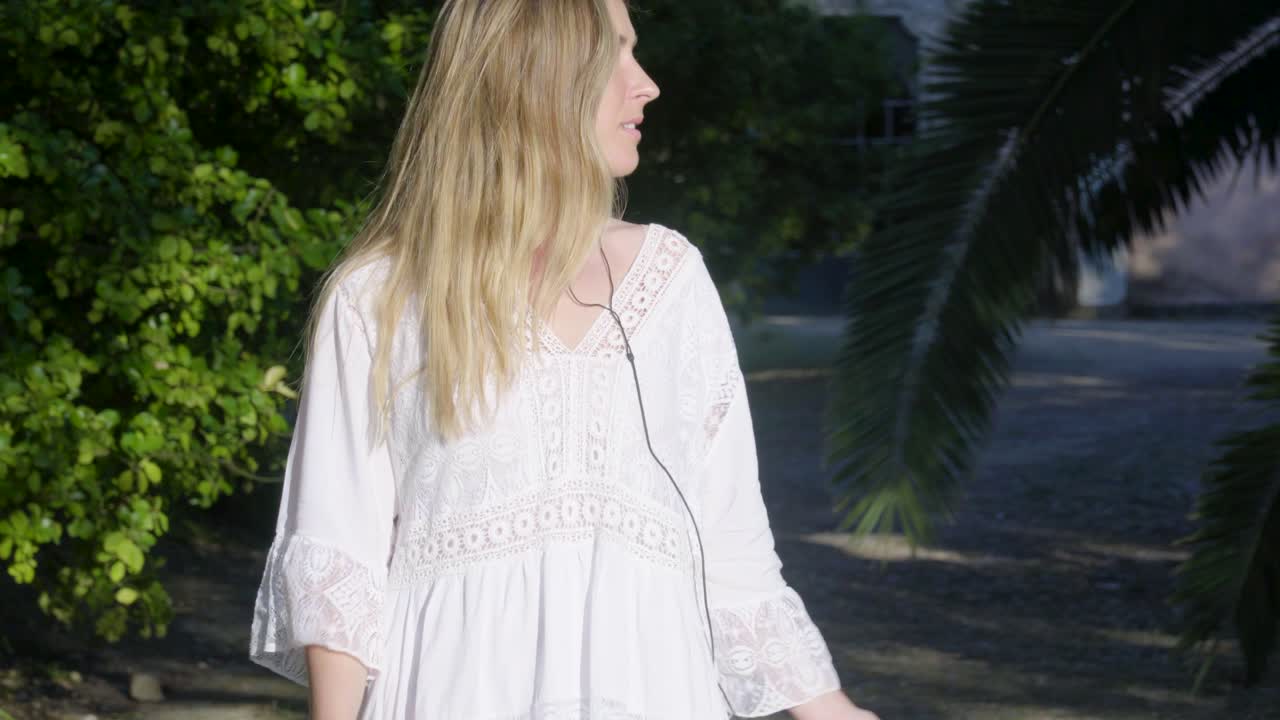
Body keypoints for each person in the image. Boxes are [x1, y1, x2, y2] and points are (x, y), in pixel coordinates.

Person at [247, 1, 882, 718]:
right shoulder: (381, 297)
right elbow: (338, 553)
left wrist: (829, 709)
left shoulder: (671, 280)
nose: (646, 84)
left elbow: (731, 551)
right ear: (536, 76)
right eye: (616, 52)